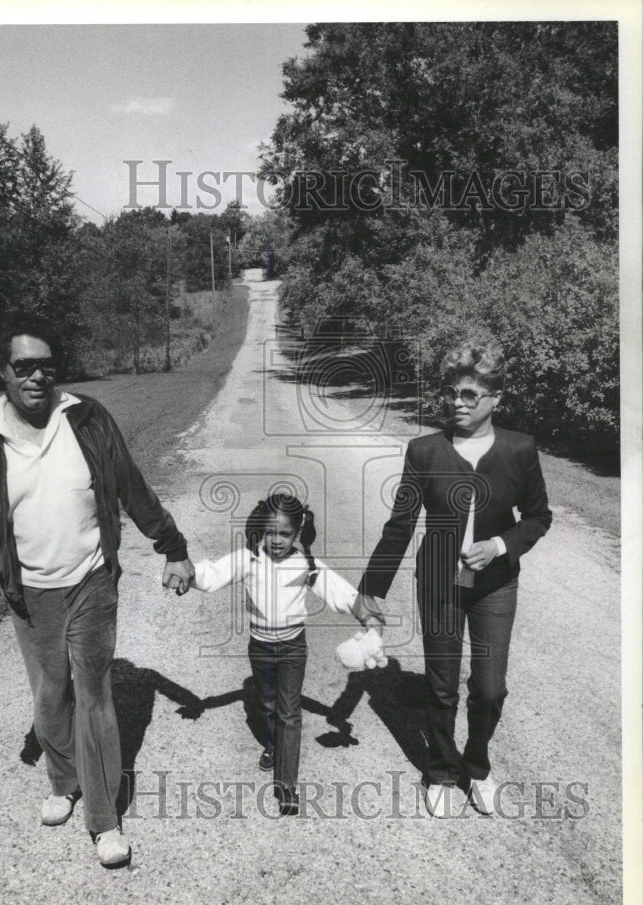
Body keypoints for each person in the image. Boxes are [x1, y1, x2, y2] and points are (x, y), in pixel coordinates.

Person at [0, 318, 194, 867]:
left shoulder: (85, 417)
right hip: (28, 591)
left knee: (95, 694)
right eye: (24, 366)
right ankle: (64, 781)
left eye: (46, 365)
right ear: (3, 372)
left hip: (91, 580)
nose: (37, 376)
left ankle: (104, 819)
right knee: (50, 693)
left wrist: (171, 546)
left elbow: (131, 484)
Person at [353, 339, 552, 818]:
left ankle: (477, 766)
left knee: (488, 687)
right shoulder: (425, 450)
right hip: (439, 584)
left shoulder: (518, 449)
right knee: (441, 685)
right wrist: (369, 589)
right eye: (453, 394)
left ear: (494, 399)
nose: (457, 403)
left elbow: (538, 517)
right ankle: (442, 768)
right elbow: (400, 525)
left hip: (496, 585)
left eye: (470, 395)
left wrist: (500, 545)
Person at [191, 492, 373, 815]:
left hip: (292, 648)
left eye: (285, 534)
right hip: (260, 647)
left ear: (298, 533)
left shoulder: (306, 565)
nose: (277, 540)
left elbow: (337, 590)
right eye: (271, 532)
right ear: (262, 529)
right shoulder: (248, 559)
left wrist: (364, 611)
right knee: (266, 704)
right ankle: (273, 745)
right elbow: (213, 573)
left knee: (290, 711)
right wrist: (188, 576)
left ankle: (286, 784)